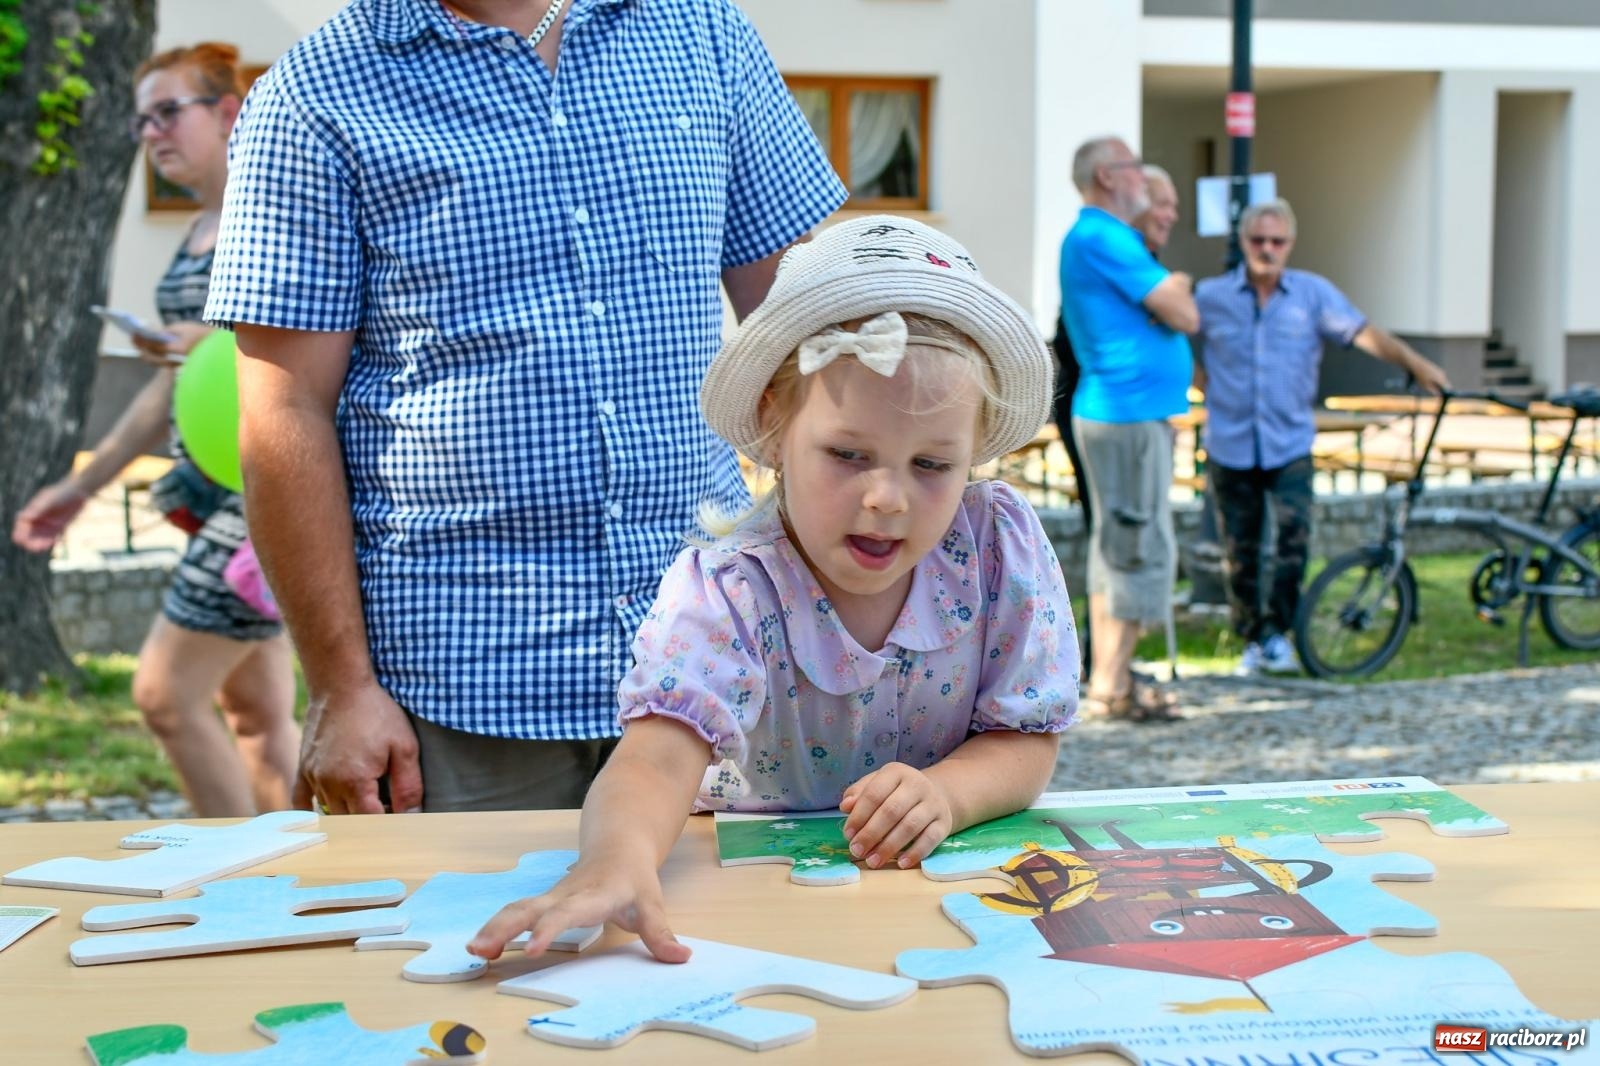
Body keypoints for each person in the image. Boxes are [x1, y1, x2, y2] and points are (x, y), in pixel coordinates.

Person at [205, 0, 847, 814]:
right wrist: (339, 685)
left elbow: (807, 328)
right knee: (477, 944)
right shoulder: (313, 93)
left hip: (714, 653)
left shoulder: (702, 31)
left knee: (734, 941)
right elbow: (283, 413)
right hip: (462, 687)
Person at [467, 216, 1077, 964]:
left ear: (973, 451)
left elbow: (1027, 739)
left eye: (931, 464)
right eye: (849, 454)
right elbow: (654, 759)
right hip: (745, 913)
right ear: (772, 425)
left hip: (938, 910)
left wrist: (949, 795)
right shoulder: (729, 589)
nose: (887, 496)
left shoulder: (995, 547)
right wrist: (613, 864)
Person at [11, 44, 299, 818]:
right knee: (258, 717)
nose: (151, 133)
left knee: (165, 695)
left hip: (260, 494)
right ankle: (311, 879)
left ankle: (237, 884)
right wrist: (79, 488)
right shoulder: (199, 228)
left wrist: (209, 347)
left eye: (169, 111)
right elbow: (174, 390)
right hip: (210, 493)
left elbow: (302, 362)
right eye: (142, 120)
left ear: (230, 111)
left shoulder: (272, 215)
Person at [1195, 198, 1450, 676]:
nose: (1267, 249)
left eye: (1277, 241)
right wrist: (1199, 381)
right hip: (1230, 443)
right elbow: (1173, 335)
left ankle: (1280, 634)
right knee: (1241, 550)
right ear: (1243, 242)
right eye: (1258, 240)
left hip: (1289, 443)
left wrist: (1415, 364)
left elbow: (1362, 332)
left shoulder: (1312, 295)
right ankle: (1253, 636)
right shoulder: (1211, 296)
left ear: (1290, 244)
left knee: (1293, 543)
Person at [1058, 137, 1198, 723]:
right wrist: (1175, 293)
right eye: (1135, 166)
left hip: (1130, 412)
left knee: (1124, 547)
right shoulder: (1101, 234)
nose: (1143, 176)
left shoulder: (1103, 237)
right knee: (1132, 549)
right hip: (1124, 412)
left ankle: (1113, 680)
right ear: (1109, 176)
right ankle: (1110, 688)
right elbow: (1184, 311)